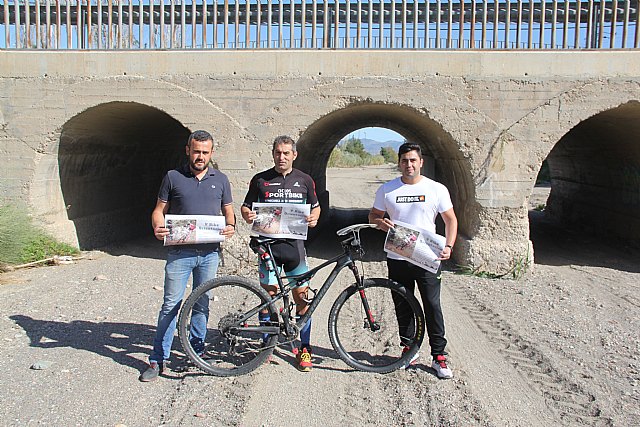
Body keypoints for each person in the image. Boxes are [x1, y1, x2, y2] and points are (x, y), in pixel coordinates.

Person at [139, 130, 236, 382]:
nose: (200, 156)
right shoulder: (173, 177)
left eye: (205, 152)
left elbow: (229, 213)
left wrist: (231, 227)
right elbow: (158, 211)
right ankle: (158, 358)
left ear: (211, 153)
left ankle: (196, 351)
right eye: (196, 151)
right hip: (179, 253)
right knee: (171, 304)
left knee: (202, 304)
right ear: (188, 150)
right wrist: (157, 225)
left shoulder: (221, 180)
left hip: (209, 254)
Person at [368, 142, 458, 379]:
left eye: (413, 160)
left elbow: (451, 220)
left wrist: (449, 246)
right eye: (405, 160)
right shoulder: (387, 190)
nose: (409, 164)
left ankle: (439, 356)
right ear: (399, 163)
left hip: (427, 256)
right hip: (398, 255)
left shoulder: (436, 189)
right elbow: (374, 215)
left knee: (432, 305)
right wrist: (379, 222)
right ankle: (409, 350)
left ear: (421, 162)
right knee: (403, 304)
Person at [241, 135, 321, 372]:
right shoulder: (260, 180)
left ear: (294, 155)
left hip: (295, 249)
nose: (282, 157)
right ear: (273, 153)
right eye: (278, 152)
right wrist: (247, 214)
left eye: (286, 153)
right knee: (269, 298)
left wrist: (315, 217)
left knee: (302, 298)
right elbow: (246, 206)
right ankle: (267, 344)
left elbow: (316, 207)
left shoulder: (305, 180)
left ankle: (305, 348)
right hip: (268, 248)